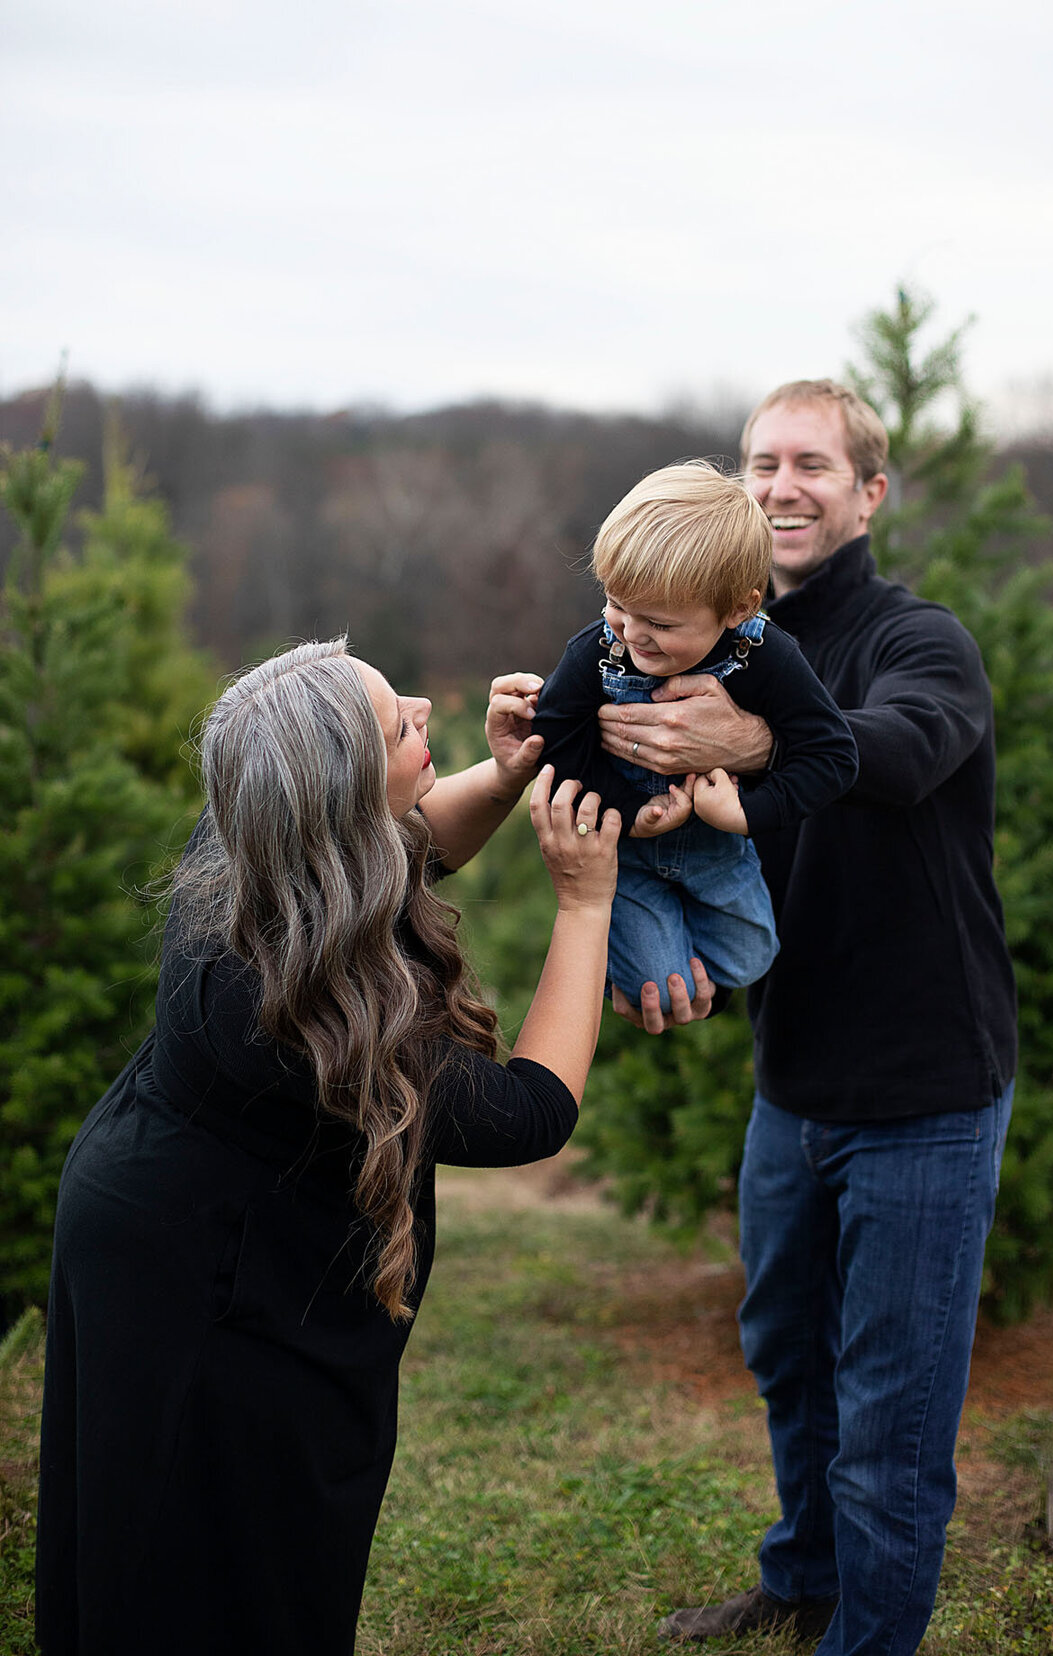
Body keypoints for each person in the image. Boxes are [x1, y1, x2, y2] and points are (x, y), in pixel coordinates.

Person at [35, 637, 619, 1656]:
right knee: (210, 1559)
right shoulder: (289, 1015)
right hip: (199, 1277)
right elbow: (533, 1111)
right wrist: (586, 902)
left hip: (195, 1204)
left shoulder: (259, 822)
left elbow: (411, 839)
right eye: (400, 723)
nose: (428, 710)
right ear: (339, 797)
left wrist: (508, 772)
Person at [587, 381, 1018, 1655]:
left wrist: (759, 742)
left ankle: (868, 1640)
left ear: (868, 492)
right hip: (797, 1078)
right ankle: (806, 1581)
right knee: (786, 1352)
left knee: (892, 1408)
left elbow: (900, 747)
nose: (781, 483)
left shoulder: (919, 639)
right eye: (762, 459)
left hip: (928, 1091)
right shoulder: (708, 643)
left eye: (813, 464)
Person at [528, 460, 858, 1010]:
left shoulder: (769, 658)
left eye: (658, 623)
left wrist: (746, 813)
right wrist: (632, 810)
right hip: (626, 857)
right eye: (615, 604)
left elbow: (832, 756)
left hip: (718, 852)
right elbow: (557, 742)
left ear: (739, 609)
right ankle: (624, 948)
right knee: (652, 987)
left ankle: (660, 946)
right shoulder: (596, 652)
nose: (631, 633)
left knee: (751, 960)